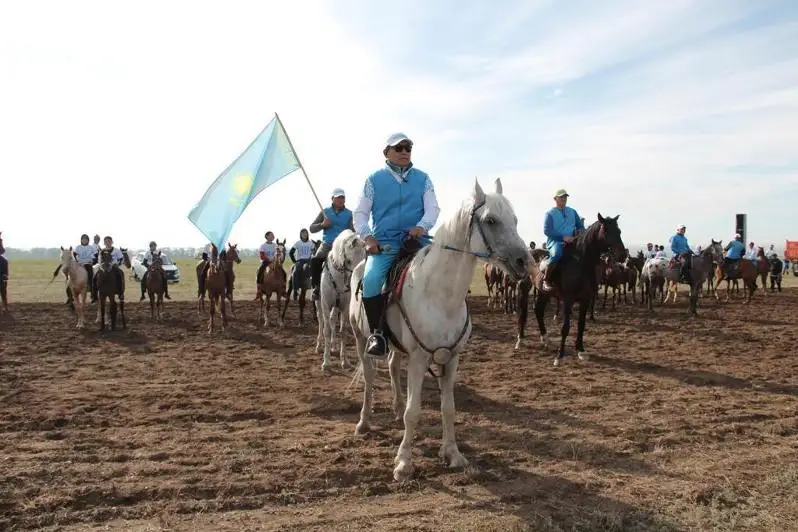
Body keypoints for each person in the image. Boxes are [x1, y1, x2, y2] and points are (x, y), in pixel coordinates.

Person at [354, 132, 440, 359]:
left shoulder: (423, 179)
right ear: (386, 152)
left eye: (408, 148)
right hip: (386, 244)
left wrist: (421, 227)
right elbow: (361, 214)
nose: (404, 152)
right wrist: (368, 238)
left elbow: (433, 209)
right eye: (399, 148)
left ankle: (447, 328)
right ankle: (377, 335)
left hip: (417, 241)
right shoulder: (373, 180)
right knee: (371, 279)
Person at [309, 188, 354, 300]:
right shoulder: (325, 212)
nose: (341, 199)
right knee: (315, 260)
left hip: (343, 245)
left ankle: (355, 287)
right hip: (327, 244)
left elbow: (353, 230)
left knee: (356, 261)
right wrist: (322, 225)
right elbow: (311, 228)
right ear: (332, 199)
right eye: (338, 197)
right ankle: (316, 288)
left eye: (343, 197)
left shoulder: (350, 214)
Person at [542, 189, 585, 292]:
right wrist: (563, 237)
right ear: (555, 199)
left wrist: (579, 233)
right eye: (561, 197)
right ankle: (546, 280)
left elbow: (580, 226)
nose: (564, 199)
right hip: (556, 242)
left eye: (565, 197)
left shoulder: (572, 211)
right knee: (557, 254)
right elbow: (547, 231)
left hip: (573, 241)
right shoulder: (549, 214)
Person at [289, 228, 314, 297]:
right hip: (300, 260)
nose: (304, 234)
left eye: (306, 233)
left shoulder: (311, 243)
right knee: (295, 271)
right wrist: (294, 261)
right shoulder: (298, 243)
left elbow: (314, 252)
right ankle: (295, 289)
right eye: (303, 233)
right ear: (300, 235)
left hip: (309, 260)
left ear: (307, 234)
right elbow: (291, 252)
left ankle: (316, 289)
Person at [73, 234, 98, 304]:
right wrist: (78, 261)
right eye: (83, 239)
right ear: (81, 240)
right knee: (71, 277)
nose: (84, 241)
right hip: (79, 264)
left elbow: (96, 255)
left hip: (88, 264)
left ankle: (93, 297)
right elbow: (75, 255)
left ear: (88, 240)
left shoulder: (91, 248)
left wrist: (92, 261)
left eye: (86, 239)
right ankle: (71, 297)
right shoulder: (78, 247)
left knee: (91, 279)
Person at [254, 231, 277, 299]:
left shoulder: (275, 245)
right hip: (265, 262)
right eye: (271, 235)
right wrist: (268, 259)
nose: (272, 236)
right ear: (267, 237)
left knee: (282, 271)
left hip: (274, 262)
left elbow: (278, 253)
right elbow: (262, 255)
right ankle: (259, 289)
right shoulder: (263, 246)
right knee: (260, 271)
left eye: (273, 235)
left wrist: (275, 259)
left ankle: (283, 288)